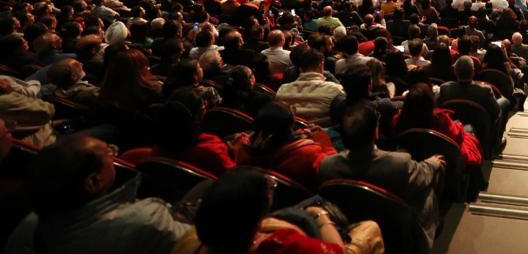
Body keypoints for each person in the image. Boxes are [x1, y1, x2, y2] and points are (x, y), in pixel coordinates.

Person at [5, 134, 192, 254]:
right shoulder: (148, 221)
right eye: (109, 154)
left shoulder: (28, 224)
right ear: (94, 182)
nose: (113, 155)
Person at [318, 102, 445, 248]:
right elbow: (424, 174)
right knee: (427, 191)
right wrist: (433, 162)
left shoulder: (326, 167)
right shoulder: (400, 163)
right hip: (395, 229)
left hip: (352, 224)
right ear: (376, 132)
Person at [192, 167, 383, 254]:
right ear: (258, 210)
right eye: (270, 188)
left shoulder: (196, 240)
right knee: (369, 228)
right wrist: (320, 215)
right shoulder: (282, 245)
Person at [120, 89, 236, 176]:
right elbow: (233, 177)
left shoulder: (136, 151)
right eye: (202, 109)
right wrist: (238, 152)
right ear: (198, 116)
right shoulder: (212, 149)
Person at [236, 102, 335, 191]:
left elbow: (274, 138)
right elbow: (332, 171)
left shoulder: (242, 148)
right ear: (291, 125)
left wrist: (300, 135)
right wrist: (323, 139)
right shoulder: (307, 153)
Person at [275, 46, 346, 126]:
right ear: (321, 66)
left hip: (293, 136)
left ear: (301, 69)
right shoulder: (335, 90)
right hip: (322, 136)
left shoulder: (282, 90)